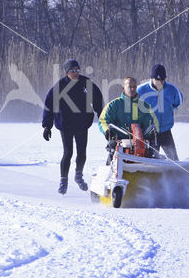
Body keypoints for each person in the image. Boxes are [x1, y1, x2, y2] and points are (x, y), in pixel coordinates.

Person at [42, 59, 104, 195]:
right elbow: (49, 105)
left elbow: (98, 100)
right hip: (66, 124)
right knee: (68, 153)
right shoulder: (60, 86)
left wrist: (102, 117)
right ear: (66, 73)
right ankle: (63, 181)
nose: (76, 73)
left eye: (77, 70)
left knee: (82, 153)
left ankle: (78, 176)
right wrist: (47, 126)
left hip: (82, 124)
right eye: (72, 71)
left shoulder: (86, 83)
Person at [98, 77, 159, 161]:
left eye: (134, 87)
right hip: (119, 144)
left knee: (152, 152)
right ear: (123, 88)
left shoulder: (145, 106)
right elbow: (103, 121)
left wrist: (151, 134)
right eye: (130, 87)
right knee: (111, 159)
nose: (132, 89)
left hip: (140, 144)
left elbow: (152, 123)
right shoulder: (114, 105)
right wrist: (107, 132)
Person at [137, 64, 183, 161]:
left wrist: (167, 111)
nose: (160, 82)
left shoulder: (172, 90)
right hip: (149, 132)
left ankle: (175, 174)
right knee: (150, 160)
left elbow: (178, 102)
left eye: (162, 79)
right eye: (157, 80)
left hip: (165, 130)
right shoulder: (140, 90)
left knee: (174, 159)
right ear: (152, 78)